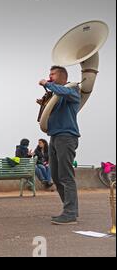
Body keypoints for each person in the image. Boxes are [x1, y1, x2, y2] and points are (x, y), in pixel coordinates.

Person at [39, 66, 81, 225]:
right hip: (54, 136)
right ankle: (69, 210)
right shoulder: (56, 95)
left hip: (67, 136)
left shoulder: (73, 90)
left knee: (66, 176)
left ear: (63, 77)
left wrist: (47, 84)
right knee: (56, 176)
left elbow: (64, 92)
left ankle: (70, 213)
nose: (49, 76)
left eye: (52, 74)